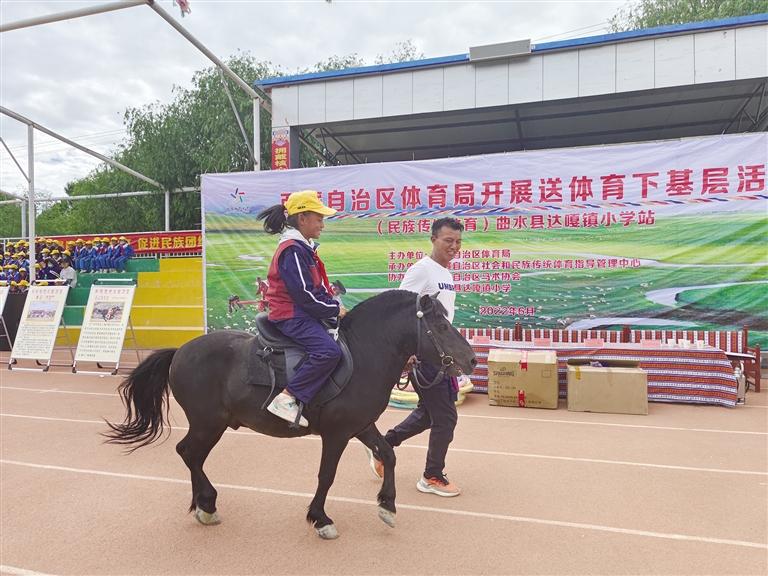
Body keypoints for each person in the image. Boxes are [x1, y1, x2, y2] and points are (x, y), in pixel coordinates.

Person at [366, 217, 464, 497]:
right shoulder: (422, 270)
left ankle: (382, 445)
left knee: (428, 414)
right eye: (448, 240)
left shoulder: (445, 273)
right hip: (425, 355)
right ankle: (432, 476)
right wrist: (406, 351)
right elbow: (400, 308)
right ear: (433, 239)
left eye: (458, 242)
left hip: (442, 355)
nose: (454, 246)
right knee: (445, 418)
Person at [257, 190, 344, 427]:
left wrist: (333, 306)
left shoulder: (304, 248)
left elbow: (316, 289)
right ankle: (287, 397)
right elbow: (304, 295)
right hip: (292, 315)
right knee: (328, 352)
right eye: (319, 219)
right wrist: (333, 310)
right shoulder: (293, 250)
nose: (322, 225)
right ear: (303, 218)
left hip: (301, 312)